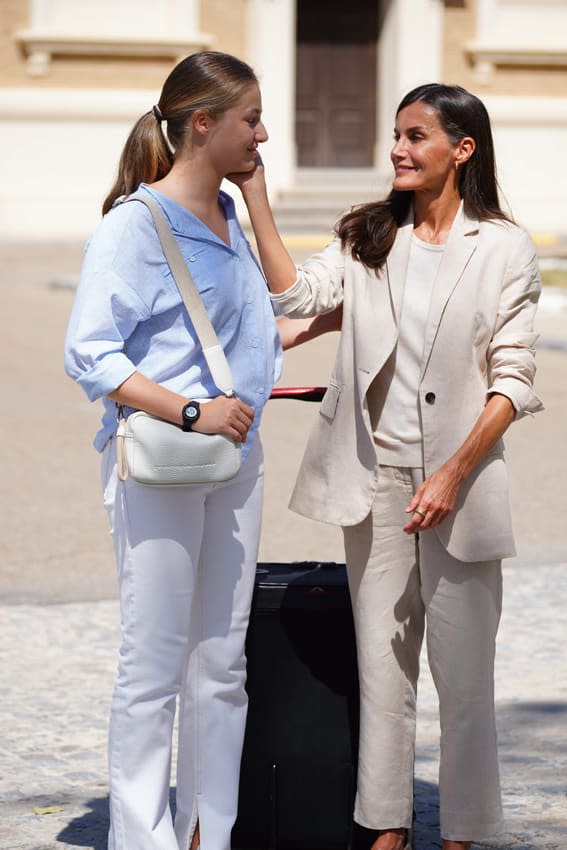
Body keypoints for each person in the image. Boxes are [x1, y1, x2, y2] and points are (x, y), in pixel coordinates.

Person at [232, 84, 543, 850]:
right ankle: (385, 826)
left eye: (415, 136)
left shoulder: (503, 246)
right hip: (373, 481)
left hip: (461, 487)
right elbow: (299, 296)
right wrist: (256, 198)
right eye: (395, 136)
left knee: (464, 679)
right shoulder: (368, 233)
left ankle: (465, 831)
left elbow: (513, 377)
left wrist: (452, 473)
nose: (398, 149)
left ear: (461, 149)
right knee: (381, 667)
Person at [64, 50, 337, 850]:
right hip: (161, 462)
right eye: (250, 117)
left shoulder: (228, 214)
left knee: (220, 665)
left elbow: (243, 346)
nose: (263, 132)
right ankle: (142, 839)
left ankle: (206, 835)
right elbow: (92, 354)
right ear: (202, 123)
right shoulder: (133, 228)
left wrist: (314, 324)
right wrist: (190, 410)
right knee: (153, 665)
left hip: (234, 460)